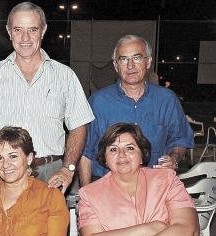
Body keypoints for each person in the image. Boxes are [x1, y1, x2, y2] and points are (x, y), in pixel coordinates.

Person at [0, 2, 94, 194]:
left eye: (32, 29)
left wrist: (68, 168)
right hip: (2, 172)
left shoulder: (64, 75)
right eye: (18, 29)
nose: (25, 38)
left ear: (43, 31)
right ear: (9, 32)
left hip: (50, 174)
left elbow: (79, 126)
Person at [78, 123, 216, 236]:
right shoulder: (90, 194)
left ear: (142, 155)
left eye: (130, 148)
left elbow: (188, 232)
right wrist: (150, 228)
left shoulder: (166, 180)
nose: (121, 155)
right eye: (113, 149)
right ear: (105, 159)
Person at [79, 35, 194, 186]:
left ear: (148, 62)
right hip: (107, 188)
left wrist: (174, 157)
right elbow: (85, 154)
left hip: (154, 186)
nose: (130, 66)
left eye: (137, 58)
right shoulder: (97, 102)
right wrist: (85, 196)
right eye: (123, 59)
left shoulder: (167, 100)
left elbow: (180, 139)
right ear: (115, 65)